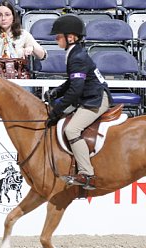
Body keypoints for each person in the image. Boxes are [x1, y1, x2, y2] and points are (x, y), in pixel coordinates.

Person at [44, 14, 112, 191]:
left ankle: (87, 174)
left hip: (95, 100)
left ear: (71, 37)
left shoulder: (77, 57)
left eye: (59, 36)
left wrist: (57, 109)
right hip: (86, 95)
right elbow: (72, 83)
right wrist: (57, 91)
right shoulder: (74, 52)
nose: (56, 39)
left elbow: (75, 91)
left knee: (72, 129)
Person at [0, 1, 47, 70]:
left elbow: (42, 55)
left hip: (18, 77)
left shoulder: (23, 34)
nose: (3, 18)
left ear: (13, 17)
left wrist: (33, 48)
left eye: (7, 15)